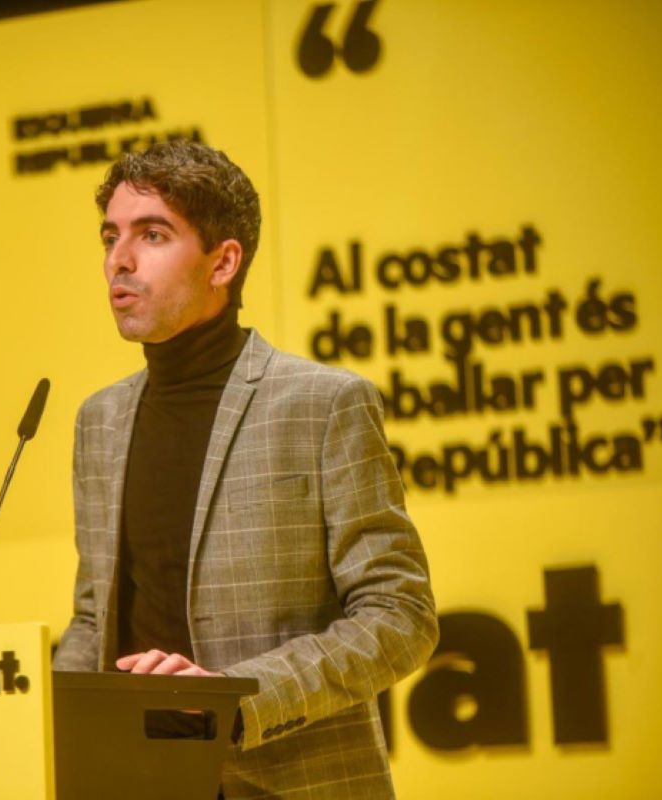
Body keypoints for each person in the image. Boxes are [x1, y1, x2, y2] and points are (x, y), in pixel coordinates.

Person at [52, 139, 438, 799]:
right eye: (111, 236)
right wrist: (41, 722)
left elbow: (401, 616)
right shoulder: (100, 421)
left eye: (152, 235)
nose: (120, 258)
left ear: (224, 262)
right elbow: (95, 620)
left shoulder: (323, 404)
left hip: (293, 783)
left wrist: (235, 701)